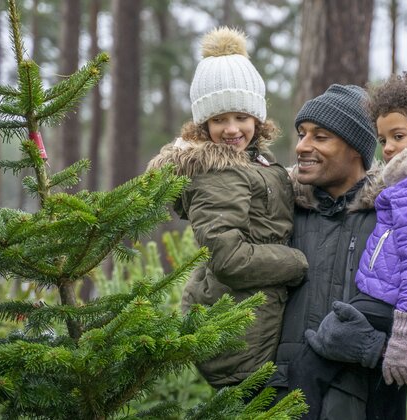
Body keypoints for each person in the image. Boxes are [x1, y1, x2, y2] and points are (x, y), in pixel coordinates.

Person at [286, 72, 407, 419]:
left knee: (318, 362)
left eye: (398, 136)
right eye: (384, 139)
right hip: (384, 305)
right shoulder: (288, 211)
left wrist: (394, 340)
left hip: (388, 309)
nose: (390, 147)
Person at [146, 27, 307, 388]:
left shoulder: (252, 162)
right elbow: (228, 258)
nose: (232, 129)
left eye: (240, 117)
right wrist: (295, 262)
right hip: (241, 329)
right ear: (204, 124)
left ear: (257, 118)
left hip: (251, 316)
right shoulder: (217, 171)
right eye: (219, 120)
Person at [268, 84, 405, 419]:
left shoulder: (392, 218)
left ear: (355, 147)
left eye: (320, 136)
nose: (301, 146)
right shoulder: (281, 212)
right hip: (281, 399)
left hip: (369, 402)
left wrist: (373, 347)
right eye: (302, 134)